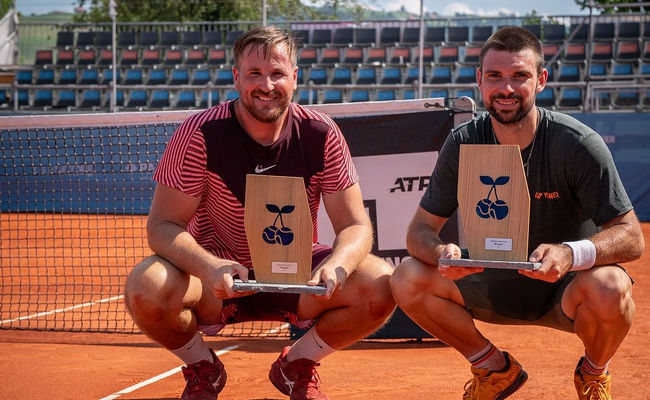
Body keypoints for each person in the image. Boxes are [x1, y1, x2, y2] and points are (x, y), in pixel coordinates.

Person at [124, 26, 395, 400]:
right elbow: (162, 226)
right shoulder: (199, 133)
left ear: (295, 77)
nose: (266, 85)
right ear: (236, 77)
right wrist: (208, 266)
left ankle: (297, 364)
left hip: (297, 277)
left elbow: (355, 226)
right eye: (254, 73)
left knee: (381, 283)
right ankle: (203, 368)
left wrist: (339, 265)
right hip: (217, 282)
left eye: (277, 73)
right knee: (146, 286)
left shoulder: (322, 133)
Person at [390, 26, 645, 400]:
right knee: (406, 276)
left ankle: (592, 374)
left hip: (564, 290)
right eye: (495, 76)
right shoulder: (462, 142)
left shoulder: (576, 144)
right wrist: (441, 254)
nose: (505, 89)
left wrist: (571, 252)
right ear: (479, 80)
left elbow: (631, 235)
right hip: (485, 285)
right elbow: (419, 233)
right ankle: (493, 369)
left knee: (612, 286)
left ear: (541, 80)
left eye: (519, 76)